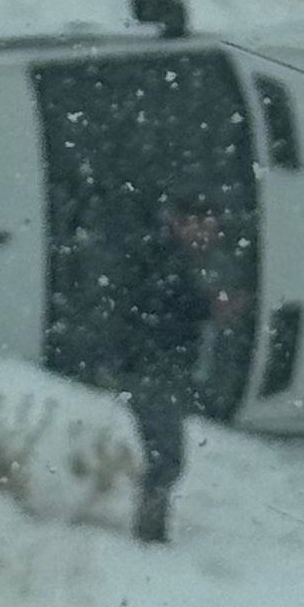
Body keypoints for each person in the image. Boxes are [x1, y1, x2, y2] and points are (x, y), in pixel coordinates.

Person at [113, 196, 240, 544]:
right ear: (179, 223)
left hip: (159, 368)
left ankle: (151, 529)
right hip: (152, 369)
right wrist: (208, 307)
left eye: (211, 228)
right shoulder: (164, 262)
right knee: (167, 457)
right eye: (199, 225)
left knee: (165, 455)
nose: (206, 235)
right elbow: (165, 310)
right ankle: (148, 534)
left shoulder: (173, 259)